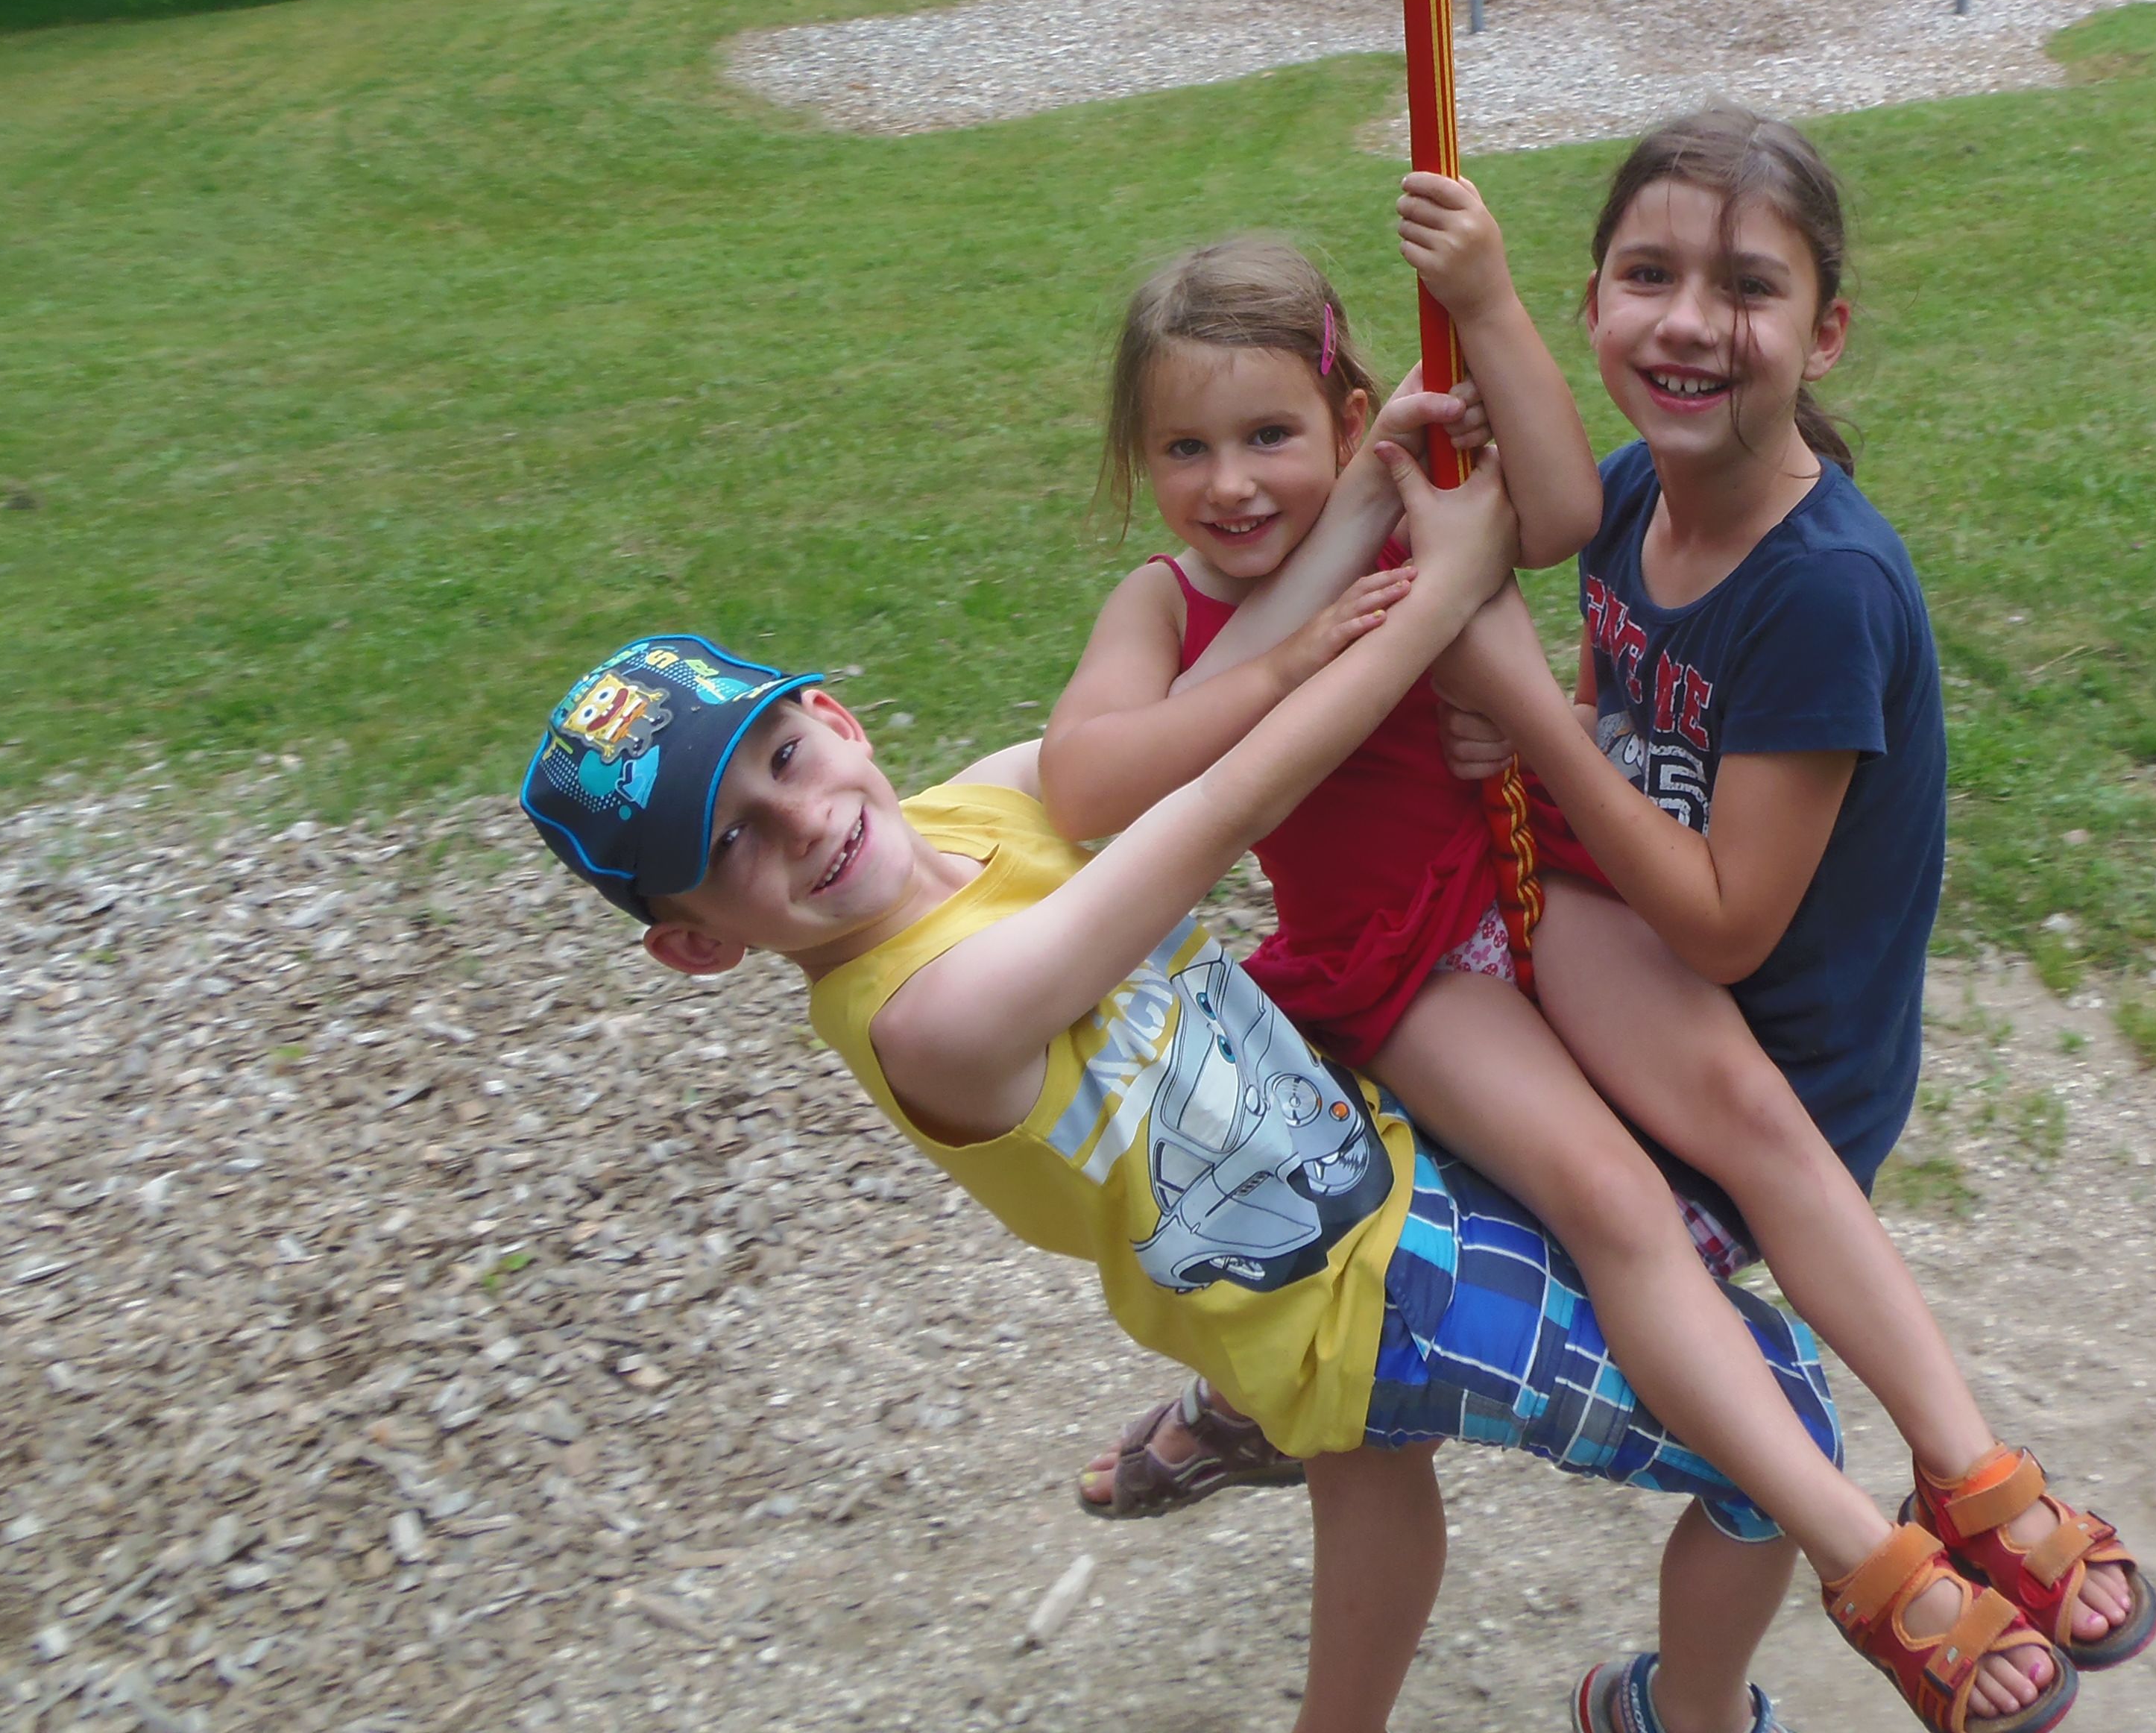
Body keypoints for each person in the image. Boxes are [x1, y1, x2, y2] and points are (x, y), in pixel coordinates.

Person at [514, 453, 2059, 1733]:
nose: (797, 820)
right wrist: (1435, 602)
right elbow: (1208, 806)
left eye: (783, 757)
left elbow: (1189, 703)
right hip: (1351, 1301)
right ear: (697, 946)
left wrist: (1373, 487)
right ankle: (1704, 1695)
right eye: (729, 845)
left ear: (836, 722)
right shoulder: (925, 1020)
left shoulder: (970, 813)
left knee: (1381, 1483)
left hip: (1342, 1199)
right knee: (1774, 1413)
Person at [1047, 154, 2146, 1731]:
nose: (1231, 484)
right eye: (1184, 448)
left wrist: (1484, 299)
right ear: (1139, 461)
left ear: (1346, 420)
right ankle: (1864, 1557)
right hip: (1404, 959)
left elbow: (1561, 512)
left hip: (1527, 874)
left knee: (1757, 1118)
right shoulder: (1162, 608)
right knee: (1614, 1201)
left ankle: (1969, 1468)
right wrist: (1287, 666)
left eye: (1269, 435)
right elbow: (1089, 783)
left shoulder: (1404, 506)